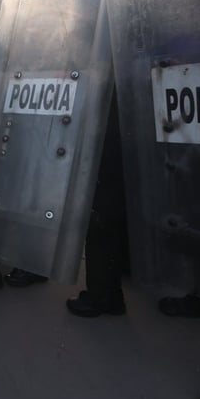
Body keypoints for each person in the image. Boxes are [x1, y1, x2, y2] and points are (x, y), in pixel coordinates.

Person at [65, 89, 128, 316]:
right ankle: (110, 290)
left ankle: (103, 297)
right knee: (110, 223)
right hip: (120, 155)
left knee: (100, 225)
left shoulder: (102, 83)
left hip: (105, 157)